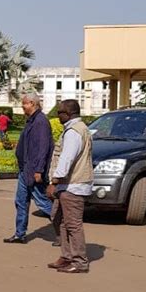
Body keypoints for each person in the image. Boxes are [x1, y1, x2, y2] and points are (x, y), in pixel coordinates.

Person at [46, 99, 93, 273]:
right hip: (68, 185)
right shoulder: (75, 129)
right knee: (59, 220)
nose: (57, 115)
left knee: (72, 224)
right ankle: (66, 257)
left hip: (73, 185)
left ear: (69, 114)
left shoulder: (74, 132)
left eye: (59, 112)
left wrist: (54, 182)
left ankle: (79, 261)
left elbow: (67, 159)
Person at [3, 93, 54, 244]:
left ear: (32, 103)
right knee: (21, 201)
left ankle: (65, 231)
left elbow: (43, 148)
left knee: (44, 203)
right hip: (25, 169)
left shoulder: (40, 121)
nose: (22, 106)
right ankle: (20, 234)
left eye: (24, 103)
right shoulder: (31, 121)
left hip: (33, 170)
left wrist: (39, 170)